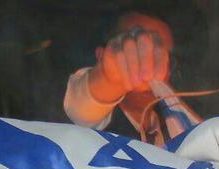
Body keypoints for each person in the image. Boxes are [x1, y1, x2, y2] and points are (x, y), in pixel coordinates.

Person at [63, 5, 203, 145]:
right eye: (134, 44)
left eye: (160, 55)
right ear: (101, 55)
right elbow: (80, 110)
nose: (149, 62)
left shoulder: (177, 125)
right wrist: (108, 77)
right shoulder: (95, 123)